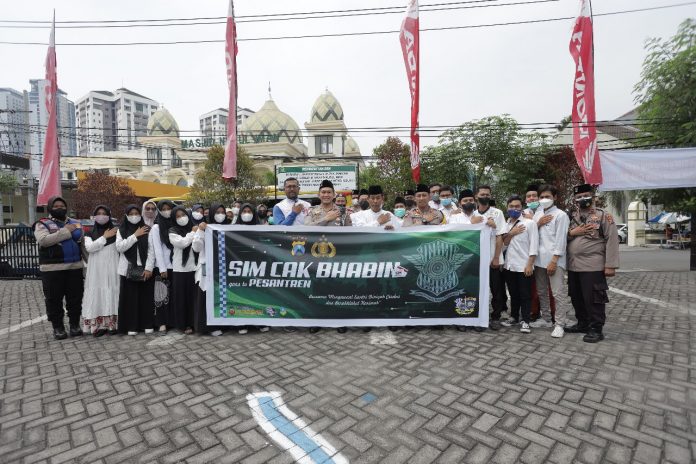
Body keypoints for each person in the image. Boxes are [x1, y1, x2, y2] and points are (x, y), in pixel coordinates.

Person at [566, 184, 620, 343]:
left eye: (586, 195)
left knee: (594, 298)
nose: (583, 199)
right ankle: (582, 323)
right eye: (579, 197)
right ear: (575, 199)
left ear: (593, 196)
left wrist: (610, 265)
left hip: (593, 265)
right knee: (576, 296)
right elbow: (561, 237)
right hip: (573, 265)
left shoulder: (603, 215)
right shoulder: (571, 216)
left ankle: (596, 329)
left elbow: (612, 240)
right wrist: (572, 233)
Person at [34, 196, 85, 340]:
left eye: (62, 206)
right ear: (50, 208)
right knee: (54, 300)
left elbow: (82, 244)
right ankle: (58, 327)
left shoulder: (76, 223)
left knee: (75, 299)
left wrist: (90, 265)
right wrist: (66, 231)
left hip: (75, 267)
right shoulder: (42, 224)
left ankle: (75, 325)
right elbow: (43, 241)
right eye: (55, 206)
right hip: (52, 269)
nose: (59, 208)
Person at [531, 184, 570, 336]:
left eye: (547, 197)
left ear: (555, 197)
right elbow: (531, 233)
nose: (544, 199)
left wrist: (554, 260)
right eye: (541, 197)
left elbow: (561, 240)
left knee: (558, 293)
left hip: (554, 260)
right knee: (541, 291)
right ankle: (546, 318)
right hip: (538, 259)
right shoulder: (538, 213)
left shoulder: (561, 215)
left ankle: (559, 324)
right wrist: (538, 223)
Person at [115, 204, 155, 335]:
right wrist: (135, 235)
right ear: (126, 215)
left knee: (145, 299)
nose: (134, 216)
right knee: (130, 300)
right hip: (127, 270)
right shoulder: (121, 230)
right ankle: (131, 326)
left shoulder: (147, 229)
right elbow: (120, 247)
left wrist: (149, 268)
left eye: (136, 214)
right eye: (131, 214)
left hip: (145, 269)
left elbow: (151, 250)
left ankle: (146, 324)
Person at [501, 195, 538, 334]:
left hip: (524, 266)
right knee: (513, 293)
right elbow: (504, 244)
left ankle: (526, 321)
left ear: (522, 207)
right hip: (509, 265)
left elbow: (534, 245)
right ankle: (514, 317)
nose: (514, 209)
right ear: (507, 207)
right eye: (511, 206)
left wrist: (530, 264)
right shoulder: (506, 224)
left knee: (525, 294)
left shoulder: (530, 223)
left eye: (517, 206)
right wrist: (511, 233)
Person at [82, 205, 119, 336]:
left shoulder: (116, 232)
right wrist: (104, 237)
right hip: (96, 269)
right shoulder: (89, 232)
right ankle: (99, 326)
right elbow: (90, 248)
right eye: (99, 213)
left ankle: (112, 325)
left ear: (109, 215)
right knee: (98, 294)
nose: (101, 216)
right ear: (94, 216)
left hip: (112, 267)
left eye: (104, 213)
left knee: (112, 292)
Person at [236, 203, 271, 334]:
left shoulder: (260, 228)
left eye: (249, 211)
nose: (246, 214)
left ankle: (260, 321)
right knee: (241, 294)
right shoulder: (232, 229)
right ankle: (242, 323)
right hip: (239, 266)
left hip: (257, 266)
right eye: (244, 211)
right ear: (240, 214)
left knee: (257, 294)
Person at [475, 185, 507, 331]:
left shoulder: (497, 213)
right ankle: (480, 317)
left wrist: (496, 258)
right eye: (482, 194)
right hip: (478, 260)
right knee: (479, 290)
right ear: (477, 196)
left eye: (487, 194)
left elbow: (500, 236)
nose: (485, 196)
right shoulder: (473, 215)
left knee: (496, 290)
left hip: (493, 258)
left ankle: (495, 317)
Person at [191, 204, 226, 337]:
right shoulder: (205, 228)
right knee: (207, 296)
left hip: (222, 269)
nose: (220, 215)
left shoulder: (228, 228)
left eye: (222, 212)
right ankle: (208, 327)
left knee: (220, 296)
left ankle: (221, 324)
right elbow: (196, 248)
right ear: (211, 213)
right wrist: (200, 231)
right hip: (207, 268)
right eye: (217, 212)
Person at [168, 206, 199, 335]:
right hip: (180, 269)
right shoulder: (172, 231)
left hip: (194, 268)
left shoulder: (194, 227)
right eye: (178, 216)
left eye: (183, 215)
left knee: (192, 298)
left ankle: (194, 323)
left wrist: (195, 231)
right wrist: (192, 233)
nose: (182, 218)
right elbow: (182, 243)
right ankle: (183, 324)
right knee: (181, 299)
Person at [152, 200, 175, 333]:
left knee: (173, 296)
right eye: (163, 209)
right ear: (159, 211)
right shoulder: (156, 227)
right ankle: (162, 323)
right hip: (163, 267)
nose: (167, 211)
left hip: (176, 266)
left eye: (169, 208)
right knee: (161, 296)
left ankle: (172, 321)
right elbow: (157, 249)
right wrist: (162, 268)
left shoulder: (175, 224)